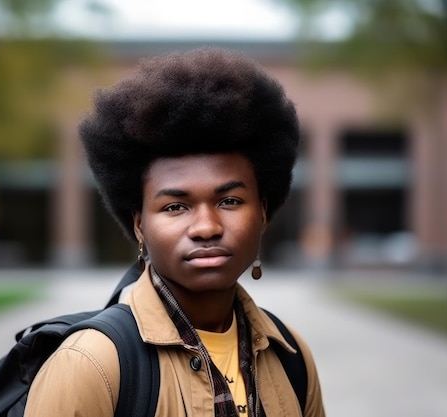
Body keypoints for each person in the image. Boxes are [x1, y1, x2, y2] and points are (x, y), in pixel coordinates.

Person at [25, 47, 326, 417]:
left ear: (263, 212)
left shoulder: (292, 356)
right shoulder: (91, 365)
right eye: (175, 207)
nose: (206, 227)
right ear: (139, 224)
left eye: (229, 201)